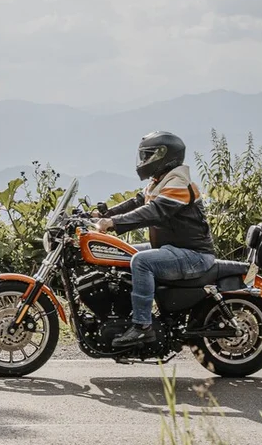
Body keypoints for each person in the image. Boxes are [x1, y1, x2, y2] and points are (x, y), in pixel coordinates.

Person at [92, 131, 217, 348]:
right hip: (172, 248)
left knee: (141, 261)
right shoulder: (161, 181)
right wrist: (103, 215)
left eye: (147, 156)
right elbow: (137, 202)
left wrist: (113, 223)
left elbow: (154, 211)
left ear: (162, 156)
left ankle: (142, 327)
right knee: (122, 251)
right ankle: (121, 314)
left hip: (194, 255)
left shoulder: (178, 182)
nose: (143, 161)